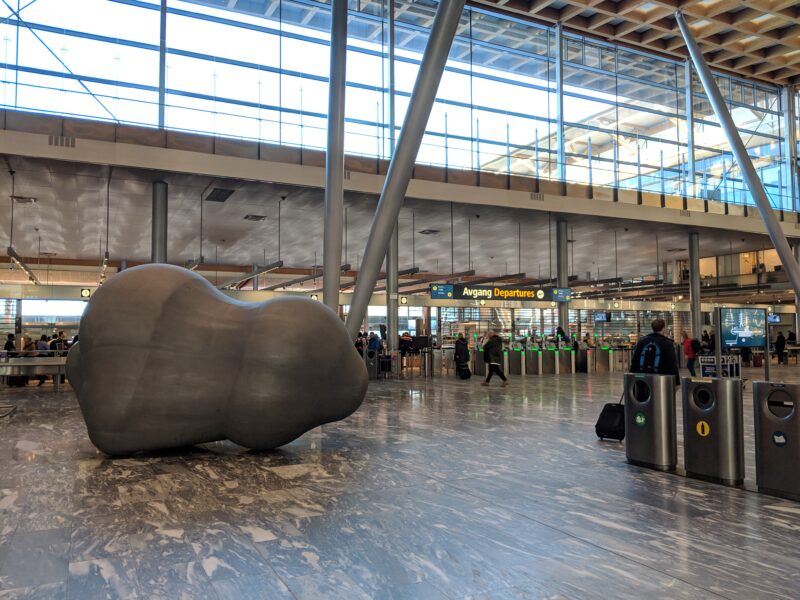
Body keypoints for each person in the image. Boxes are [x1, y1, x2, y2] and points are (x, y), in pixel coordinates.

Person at [630, 319, 679, 385]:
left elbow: (635, 361)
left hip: (642, 379)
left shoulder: (642, 341)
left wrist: (631, 378)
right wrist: (677, 381)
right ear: (663, 328)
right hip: (661, 379)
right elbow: (672, 363)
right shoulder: (667, 343)